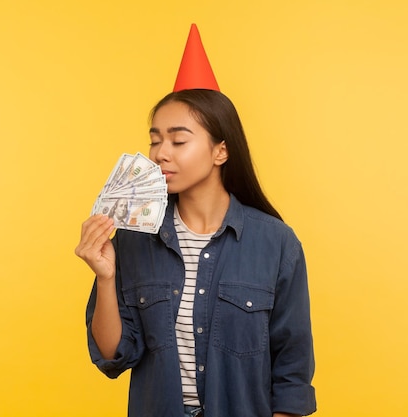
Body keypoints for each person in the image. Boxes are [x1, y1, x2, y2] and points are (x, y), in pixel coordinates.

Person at [75, 24, 316, 417]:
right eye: (155, 139)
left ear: (221, 150)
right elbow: (114, 355)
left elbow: (292, 374)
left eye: (178, 140)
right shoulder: (133, 240)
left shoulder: (276, 244)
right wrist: (104, 277)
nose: (160, 154)